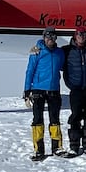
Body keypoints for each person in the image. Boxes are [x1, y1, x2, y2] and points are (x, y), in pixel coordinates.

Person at [23, 26, 66, 160]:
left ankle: (57, 147)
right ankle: (38, 149)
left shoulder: (60, 53)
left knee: (55, 119)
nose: (50, 40)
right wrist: (26, 90)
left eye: (53, 37)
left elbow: (64, 66)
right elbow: (30, 70)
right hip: (38, 89)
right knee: (37, 119)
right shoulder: (37, 52)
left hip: (53, 88)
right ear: (44, 38)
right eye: (48, 37)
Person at [61, 27, 86, 157]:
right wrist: (38, 49)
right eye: (79, 34)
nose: (81, 36)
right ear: (74, 36)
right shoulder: (66, 50)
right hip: (76, 89)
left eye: (83, 34)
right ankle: (74, 146)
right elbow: (52, 56)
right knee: (75, 117)